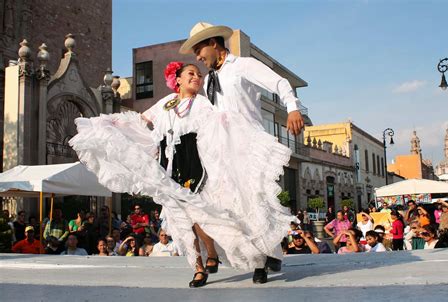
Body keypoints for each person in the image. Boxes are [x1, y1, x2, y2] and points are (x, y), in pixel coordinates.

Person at [69, 61, 294, 288]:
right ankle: (198, 267)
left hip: (196, 166)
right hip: (169, 166)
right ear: (177, 79)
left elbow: (218, 129)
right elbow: (143, 120)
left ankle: (218, 254)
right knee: (181, 220)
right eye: (191, 73)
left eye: (198, 74)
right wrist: (115, 123)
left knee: (199, 215)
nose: (197, 77)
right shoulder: (166, 103)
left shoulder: (204, 104)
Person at [181, 22, 305, 284]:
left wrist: (293, 108)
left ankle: (263, 260)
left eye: (199, 50)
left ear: (214, 43)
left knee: (255, 200)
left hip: (248, 143)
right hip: (222, 150)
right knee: (232, 205)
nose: (198, 57)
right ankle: (259, 257)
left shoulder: (243, 66)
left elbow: (279, 81)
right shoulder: (210, 80)